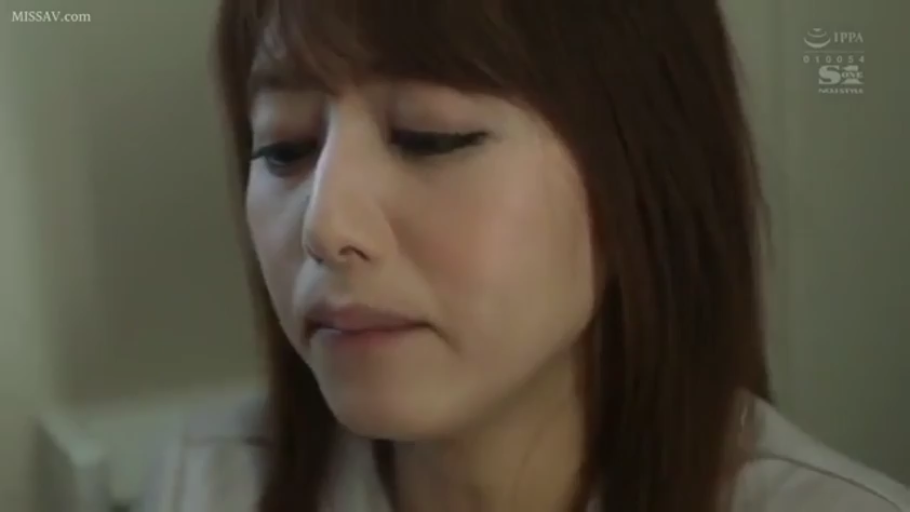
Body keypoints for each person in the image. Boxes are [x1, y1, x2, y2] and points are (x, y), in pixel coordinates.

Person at [139, 0, 910, 511]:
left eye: (429, 137)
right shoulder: (207, 485)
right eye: (284, 147)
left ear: (641, 172)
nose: (326, 224)